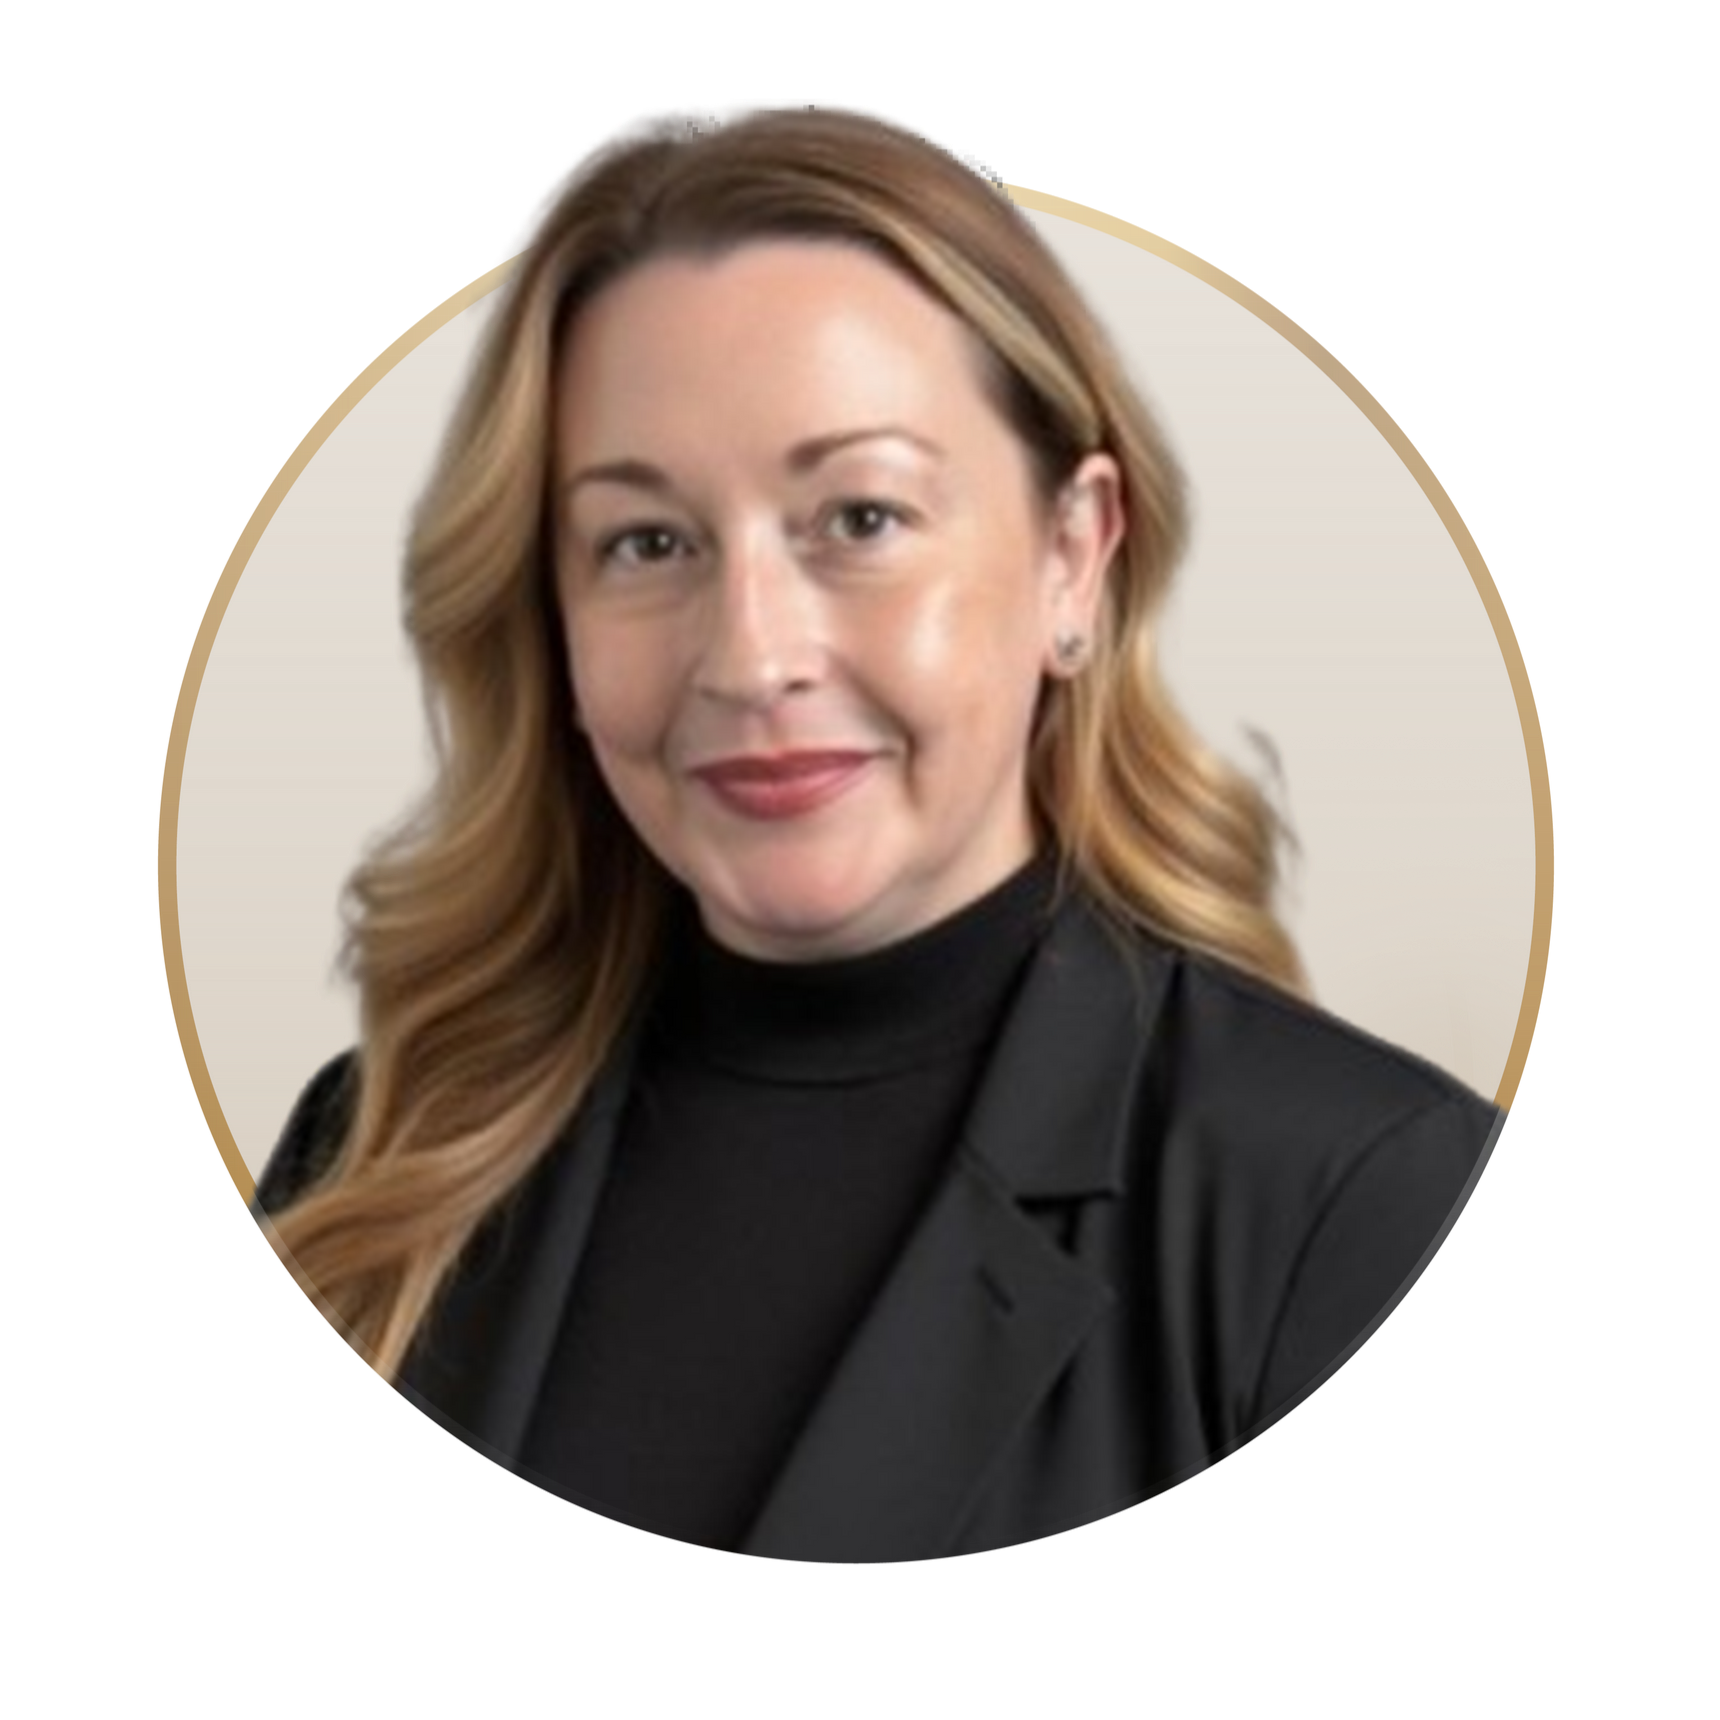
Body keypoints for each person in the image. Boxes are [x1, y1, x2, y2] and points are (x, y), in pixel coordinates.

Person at [251, 99, 1506, 1562]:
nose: (749, 657)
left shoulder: (1359, 1200)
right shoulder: (372, 1152)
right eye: (646, 542)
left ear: (1072, 557)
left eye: (859, 519)